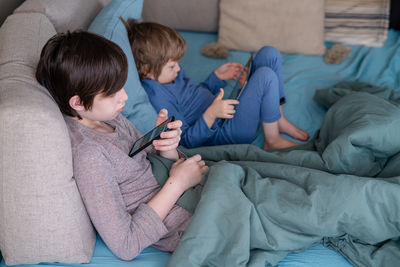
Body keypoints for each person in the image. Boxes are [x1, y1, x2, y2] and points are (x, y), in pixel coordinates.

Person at [35, 31, 208, 260]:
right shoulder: (90, 156)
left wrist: (166, 145)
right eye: (112, 93)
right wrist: (178, 184)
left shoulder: (108, 117)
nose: (124, 97)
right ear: (77, 102)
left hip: (190, 189)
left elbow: (149, 158)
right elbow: (125, 244)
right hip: (191, 222)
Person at [122, 19, 309, 150]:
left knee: (269, 53)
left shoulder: (168, 74)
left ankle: (278, 119)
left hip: (225, 110)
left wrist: (216, 77)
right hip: (224, 133)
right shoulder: (157, 95)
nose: (179, 69)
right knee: (265, 76)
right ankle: (272, 140)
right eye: (172, 65)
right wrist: (211, 114)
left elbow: (194, 94)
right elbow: (186, 139)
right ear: (146, 69)